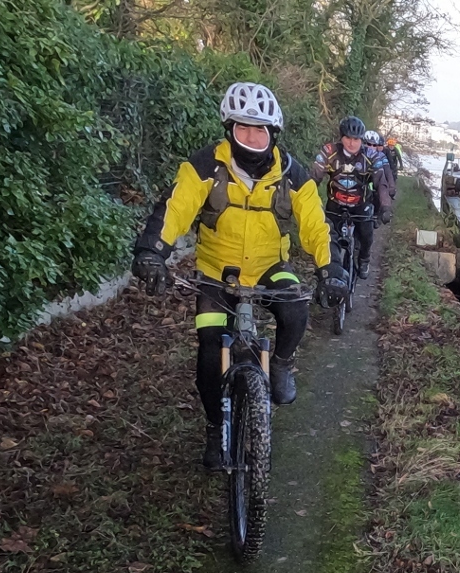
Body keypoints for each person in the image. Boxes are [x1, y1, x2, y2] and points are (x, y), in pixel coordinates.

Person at [130, 82, 345, 470]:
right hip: (217, 272)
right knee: (210, 351)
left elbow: (316, 224)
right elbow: (175, 208)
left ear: (273, 133)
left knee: (296, 308)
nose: (251, 136)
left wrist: (330, 268)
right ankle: (216, 428)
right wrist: (152, 251)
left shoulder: (292, 174)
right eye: (242, 128)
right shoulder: (205, 166)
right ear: (229, 129)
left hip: (269, 267)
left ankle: (281, 364)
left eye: (259, 129)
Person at [312, 118, 393, 281]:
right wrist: (309, 203)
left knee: (366, 234)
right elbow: (313, 178)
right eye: (348, 138)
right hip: (335, 204)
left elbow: (381, 182)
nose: (351, 143)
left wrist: (385, 205)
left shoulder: (371, 155)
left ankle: (364, 259)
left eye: (356, 139)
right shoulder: (329, 151)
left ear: (361, 140)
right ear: (341, 137)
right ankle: (328, 270)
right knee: (328, 238)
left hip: (360, 204)